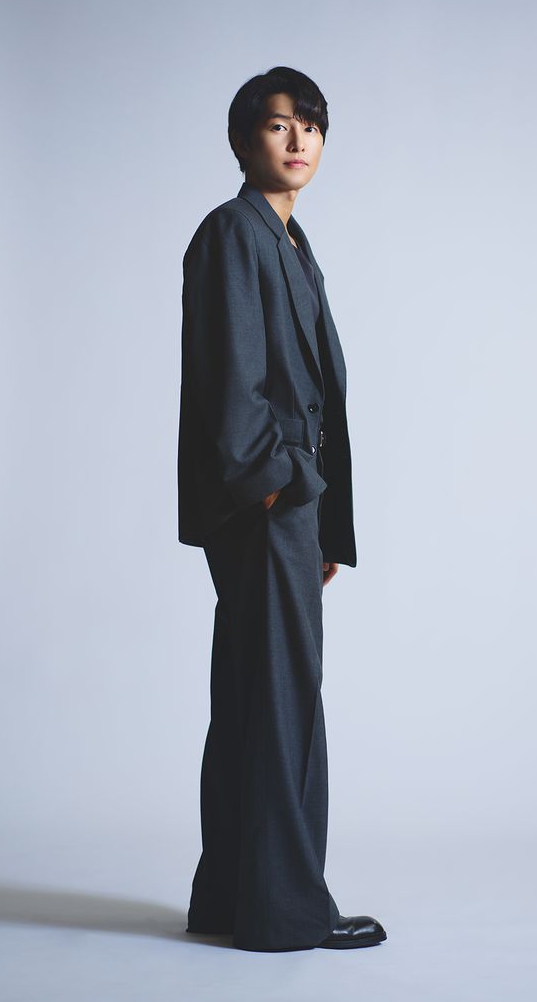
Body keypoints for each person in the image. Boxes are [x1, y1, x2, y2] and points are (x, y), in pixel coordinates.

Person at [177, 66, 386, 952]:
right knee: (283, 703)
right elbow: (234, 384)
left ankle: (233, 901)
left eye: (311, 124)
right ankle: (287, 911)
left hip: (287, 508)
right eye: (277, 123)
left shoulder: (290, 241)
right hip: (264, 503)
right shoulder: (234, 233)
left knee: (254, 699)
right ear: (242, 139)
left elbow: (314, 393)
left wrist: (318, 523)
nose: (298, 139)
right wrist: (279, 490)